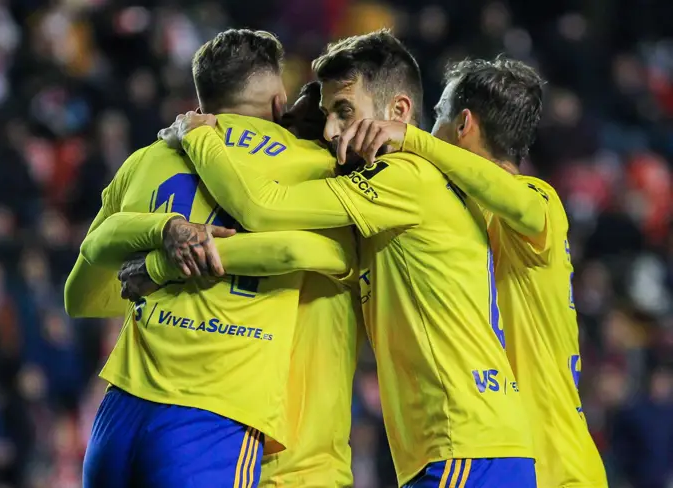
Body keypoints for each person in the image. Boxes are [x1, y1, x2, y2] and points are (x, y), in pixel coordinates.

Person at [159, 30, 536, 488]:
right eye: (327, 115)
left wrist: (199, 136)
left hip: (464, 447)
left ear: (399, 112)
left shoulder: (402, 177)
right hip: (474, 445)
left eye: (344, 111)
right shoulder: (413, 185)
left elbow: (262, 207)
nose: (331, 130)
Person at [64, 30, 358, 488]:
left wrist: (160, 270)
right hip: (213, 418)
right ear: (279, 101)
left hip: (119, 414)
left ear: (202, 99)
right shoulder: (317, 168)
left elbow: (80, 297)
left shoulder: (149, 157)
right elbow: (311, 253)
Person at [338, 56, 608, 488]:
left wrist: (413, 141)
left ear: (463, 124)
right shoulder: (451, 213)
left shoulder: (535, 198)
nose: (427, 131)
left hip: (555, 466)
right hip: (508, 461)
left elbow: (517, 203)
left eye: (437, 116)